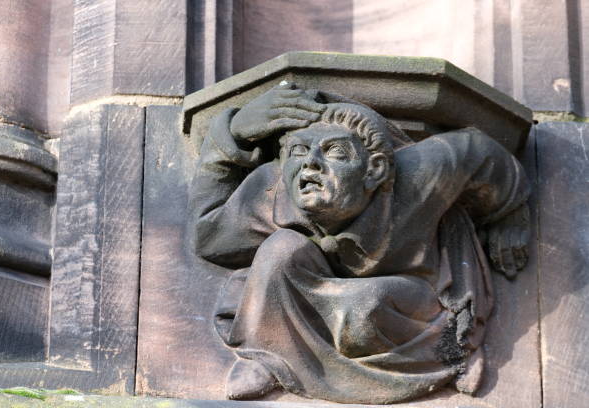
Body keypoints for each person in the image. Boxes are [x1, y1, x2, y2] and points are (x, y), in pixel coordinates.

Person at [190, 81, 530, 404]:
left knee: (367, 307)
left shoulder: (420, 175)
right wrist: (232, 133)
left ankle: (451, 351)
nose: (310, 163)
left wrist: (509, 212)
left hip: (413, 292)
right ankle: (267, 352)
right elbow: (210, 237)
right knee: (279, 250)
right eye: (298, 151)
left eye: (334, 152)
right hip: (315, 285)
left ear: (375, 170)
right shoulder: (273, 192)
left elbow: (481, 151)